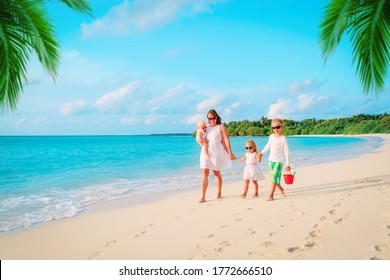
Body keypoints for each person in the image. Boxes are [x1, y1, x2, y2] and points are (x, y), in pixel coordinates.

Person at [199, 109, 235, 203]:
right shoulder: (205, 127)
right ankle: (203, 196)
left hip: (216, 153)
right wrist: (201, 141)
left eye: (213, 118)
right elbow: (199, 137)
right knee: (204, 173)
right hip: (205, 153)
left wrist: (230, 153)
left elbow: (225, 140)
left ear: (217, 117)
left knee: (217, 173)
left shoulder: (220, 126)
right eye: (210, 118)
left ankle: (219, 193)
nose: (212, 120)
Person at [259, 118, 291, 201]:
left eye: (278, 127)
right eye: (273, 128)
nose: (275, 129)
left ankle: (271, 195)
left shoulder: (283, 139)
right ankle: (281, 189)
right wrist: (261, 153)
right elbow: (268, 146)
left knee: (274, 178)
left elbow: (287, 152)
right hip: (271, 160)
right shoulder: (271, 136)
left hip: (279, 161)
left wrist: (288, 164)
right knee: (274, 178)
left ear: (282, 127)